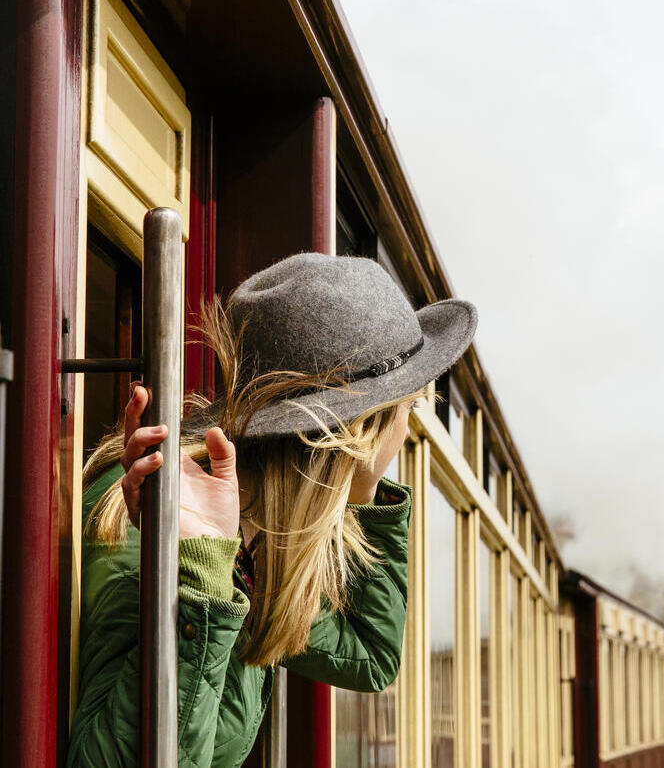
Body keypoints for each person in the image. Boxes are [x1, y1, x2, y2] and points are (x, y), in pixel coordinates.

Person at [66, 253, 477, 767]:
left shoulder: (256, 541)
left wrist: (366, 489)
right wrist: (198, 576)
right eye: (407, 409)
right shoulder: (155, 534)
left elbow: (370, 654)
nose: (407, 430)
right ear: (362, 433)